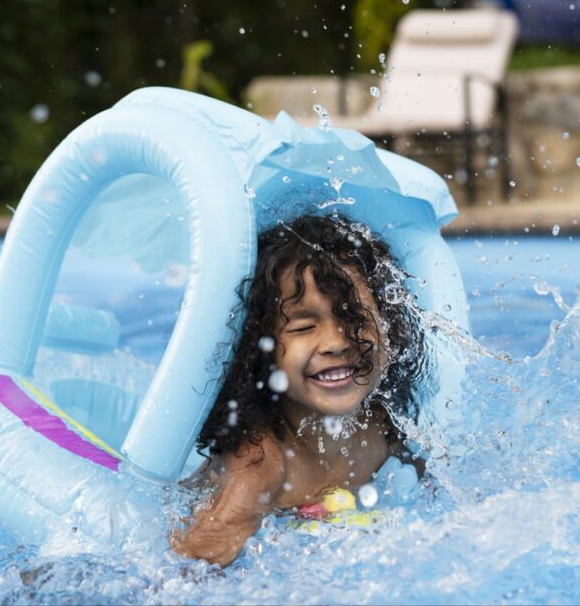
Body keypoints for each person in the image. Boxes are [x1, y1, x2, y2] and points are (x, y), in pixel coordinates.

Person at [170, 214, 425, 566]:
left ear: (389, 328)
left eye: (354, 318)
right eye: (304, 327)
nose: (336, 342)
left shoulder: (385, 426)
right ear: (261, 350)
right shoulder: (259, 463)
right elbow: (188, 569)